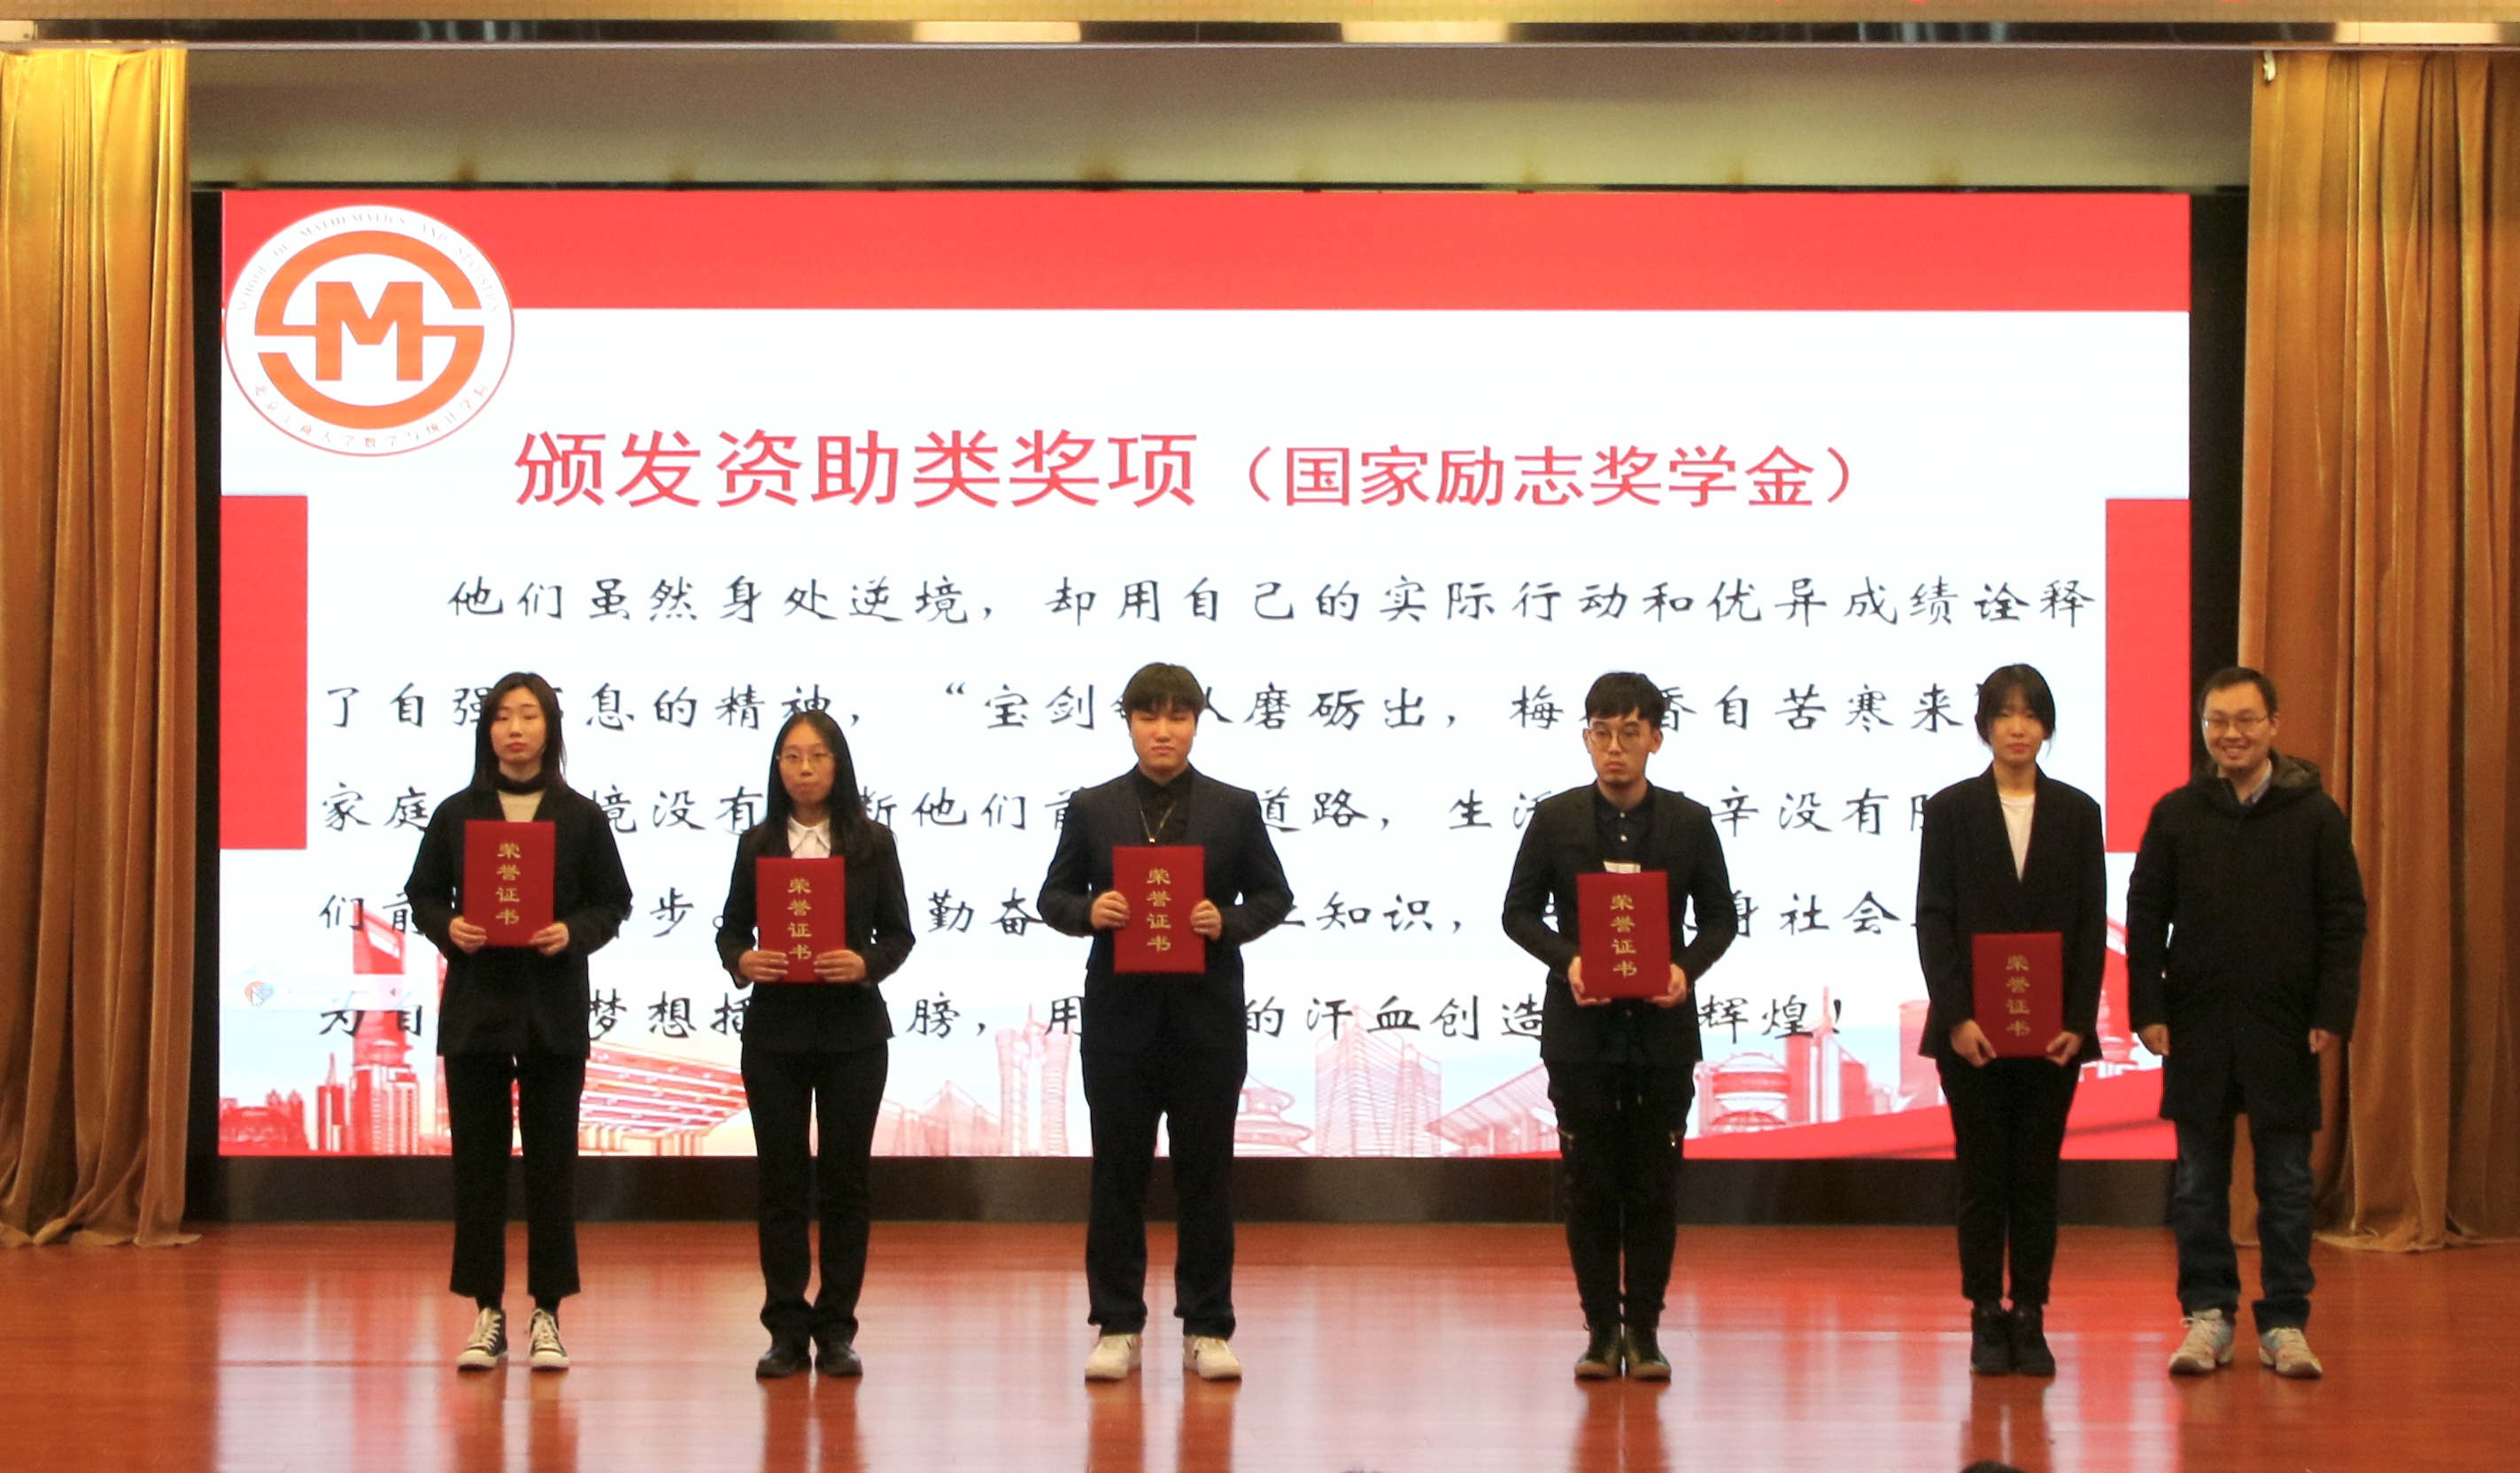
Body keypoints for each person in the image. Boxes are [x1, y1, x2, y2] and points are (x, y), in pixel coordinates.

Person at [1036, 662, 1293, 1384]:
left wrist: (1227, 921)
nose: (1163, 730)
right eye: (1148, 716)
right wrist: (1090, 911)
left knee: (1205, 1176)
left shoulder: (1233, 808)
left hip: (1206, 1023)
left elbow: (1274, 895)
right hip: (1120, 1023)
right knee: (1117, 1174)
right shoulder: (1093, 807)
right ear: (1128, 723)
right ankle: (1117, 1324)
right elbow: (1053, 896)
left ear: (1197, 724)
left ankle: (1207, 1326)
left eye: (1178, 716)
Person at [2126, 667, 2366, 1381]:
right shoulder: (2177, 813)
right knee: (2198, 1183)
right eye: (2217, 721)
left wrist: (2332, 1010)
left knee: (2286, 1184)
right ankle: (2208, 1317)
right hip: (2196, 1024)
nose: (2231, 734)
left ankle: (2285, 1322)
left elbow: (2344, 920)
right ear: (2203, 728)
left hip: (2285, 1026)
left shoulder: (2315, 815)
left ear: (2273, 725)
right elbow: (2144, 915)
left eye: (2245, 720)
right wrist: (2148, 1008)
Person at [1501, 672, 1737, 1382]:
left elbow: (1720, 919)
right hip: (1582, 1035)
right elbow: (1517, 913)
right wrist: (1570, 961)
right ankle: (1602, 1332)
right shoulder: (1556, 820)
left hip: (1661, 1035)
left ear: (1656, 740)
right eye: (1601, 732)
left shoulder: (1689, 822)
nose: (1614, 747)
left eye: (1630, 733)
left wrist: (1685, 970)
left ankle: (1647, 1332)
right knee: (1590, 1184)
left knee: (1655, 1184)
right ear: (1585, 738)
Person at [406, 673, 633, 1372]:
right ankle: (486, 1312)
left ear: (549, 728)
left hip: (551, 1010)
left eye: (529, 715)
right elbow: (422, 894)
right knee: (478, 1169)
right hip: (476, 1011)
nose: (514, 728)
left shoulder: (581, 817)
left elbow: (613, 902)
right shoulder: (456, 813)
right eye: (502, 715)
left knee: (552, 1168)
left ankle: (547, 1313)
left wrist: (573, 931)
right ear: (487, 730)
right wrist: (450, 927)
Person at [1914, 665, 2106, 1377]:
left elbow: (2090, 925)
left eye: (2030, 714)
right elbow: (1934, 919)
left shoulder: (2078, 812)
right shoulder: (1951, 810)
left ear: (2047, 726)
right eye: (2004, 714)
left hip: (2053, 1037)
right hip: (1973, 1038)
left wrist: (2079, 1020)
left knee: (2036, 1178)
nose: (2018, 728)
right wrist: (1957, 1016)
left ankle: (2030, 1312)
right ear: (1985, 726)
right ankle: (1983, 1313)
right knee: (1982, 1177)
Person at [716, 710, 916, 1379]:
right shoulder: (757, 844)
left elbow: (899, 934)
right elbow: (731, 931)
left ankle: (836, 1330)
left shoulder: (872, 843)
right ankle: (784, 1329)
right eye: (792, 757)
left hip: (853, 1035)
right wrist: (742, 961)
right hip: (774, 1034)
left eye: (818, 756)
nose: (805, 769)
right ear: (777, 768)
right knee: (780, 1184)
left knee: (844, 1184)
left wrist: (865, 963)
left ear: (839, 765)